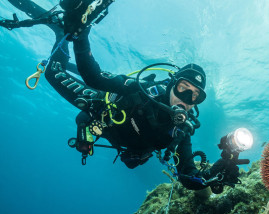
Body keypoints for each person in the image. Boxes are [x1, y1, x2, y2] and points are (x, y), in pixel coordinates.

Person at [5, 0, 243, 193]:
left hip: (121, 141)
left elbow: (189, 178)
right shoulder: (139, 90)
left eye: (195, 96)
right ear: (171, 84)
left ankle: (66, 31)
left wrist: (219, 171)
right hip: (99, 104)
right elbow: (93, 76)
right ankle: (61, 31)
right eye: (183, 88)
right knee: (53, 72)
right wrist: (80, 33)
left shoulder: (180, 131)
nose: (187, 99)